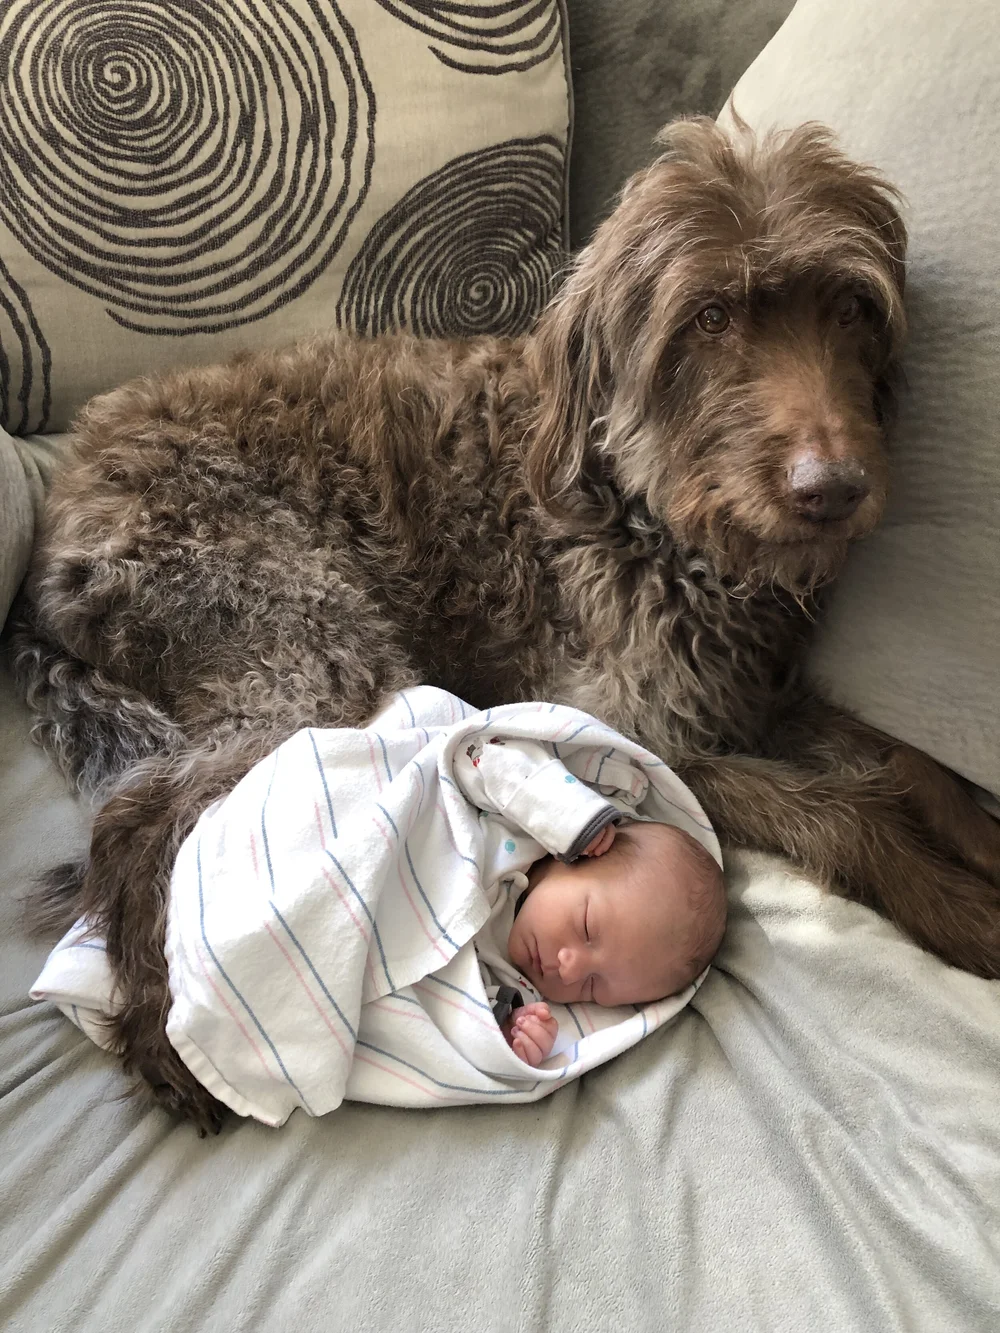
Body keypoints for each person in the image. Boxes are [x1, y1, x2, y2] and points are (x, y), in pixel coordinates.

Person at [496, 817, 727, 1066]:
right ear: (577, 854)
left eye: (591, 986)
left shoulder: (519, 994)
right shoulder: (512, 826)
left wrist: (507, 1030)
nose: (569, 971)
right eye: (585, 928)